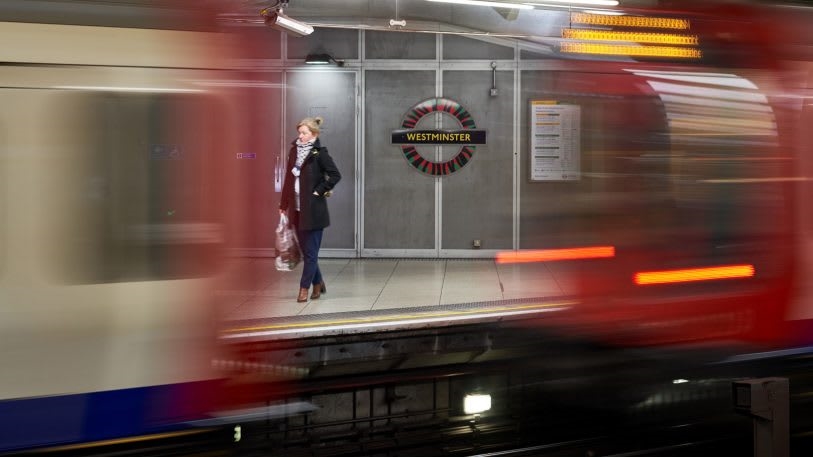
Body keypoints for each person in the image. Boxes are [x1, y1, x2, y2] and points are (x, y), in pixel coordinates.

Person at [279, 116, 341, 302]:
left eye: (304, 133)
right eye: (299, 132)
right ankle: (318, 282)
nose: (300, 135)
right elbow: (289, 180)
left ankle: (304, 288)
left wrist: (319, 191)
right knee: (308, 253)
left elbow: (335, 175)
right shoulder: (294, 151)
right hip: (297, 211)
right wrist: (283, 204)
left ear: (313, 134)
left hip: (314, 212)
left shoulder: (319, 153)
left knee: (311, 253)